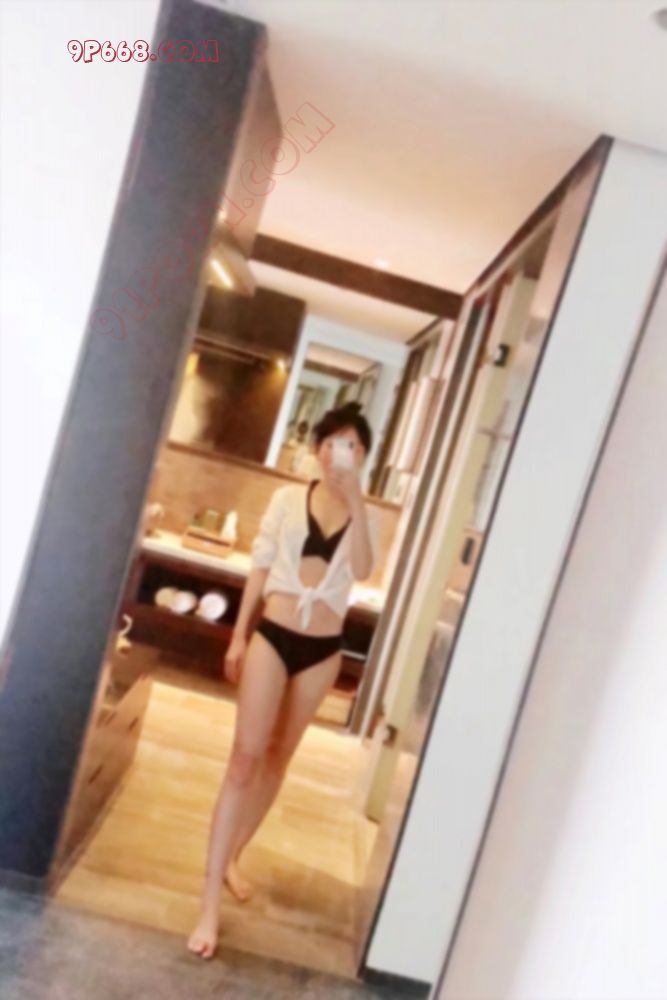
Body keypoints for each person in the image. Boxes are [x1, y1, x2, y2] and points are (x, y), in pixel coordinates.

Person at [187, 402, 377, 960]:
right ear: (318, 449)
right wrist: (239, 635)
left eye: (352, 446)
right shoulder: (287, 500)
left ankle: (232, 858)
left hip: (322, 650)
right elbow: (261, 565)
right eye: (333, 444)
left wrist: (358, 503)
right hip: (273, 634)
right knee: (244, 759)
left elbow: (363, 570)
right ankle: (208, 905)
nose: (340, 455)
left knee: (277, 760)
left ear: (363, 455)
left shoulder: (363, 513)